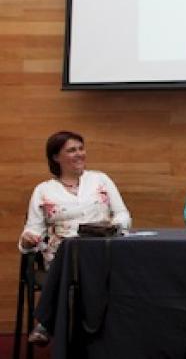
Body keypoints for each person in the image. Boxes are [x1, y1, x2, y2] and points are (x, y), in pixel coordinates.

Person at [18, 130, 132, 345]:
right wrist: (27, 240)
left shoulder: (101, 179)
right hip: (62, 255)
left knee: (89, 257)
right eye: (71, 150)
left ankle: (45, 321)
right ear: (56, 157)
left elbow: (123, 215)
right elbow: (32, 230)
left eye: (81, 148)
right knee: (70, 249)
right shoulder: (43, 190)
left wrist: (113, 226)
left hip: (101, 250)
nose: (79, 154)